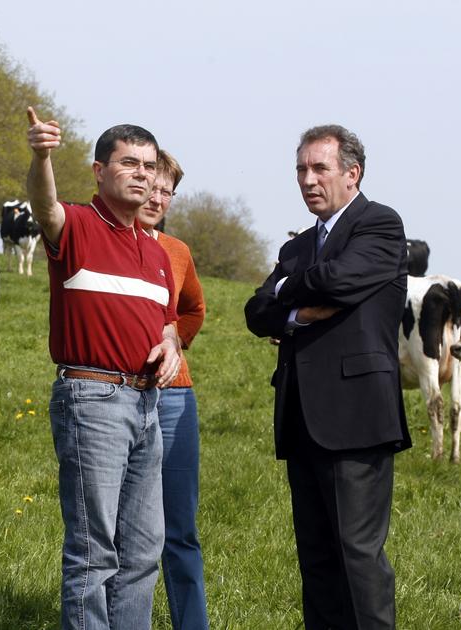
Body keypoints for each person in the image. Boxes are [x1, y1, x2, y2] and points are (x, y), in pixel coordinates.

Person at [243, 125, 410, 629]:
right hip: (300, 417)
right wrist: (293, 315)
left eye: (320, 168)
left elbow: (340, 279)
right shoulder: (297, 246)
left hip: (357, 417)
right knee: (315, 558)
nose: (308, 179)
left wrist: (287, 289)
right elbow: (256, 313)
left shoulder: (378, 224)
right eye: (301, 169)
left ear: (351, 174)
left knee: (358, 556)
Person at [26, 106, 182, 630]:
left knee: (142, 552)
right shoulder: (76, 225)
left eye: (149, 165)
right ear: (98, 171)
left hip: (147, 404)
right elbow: (42, 205)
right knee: (95, 552)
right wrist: (41, 156)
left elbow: (166, 325)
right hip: (92, 401)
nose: (143, 173)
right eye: (129, 162)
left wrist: (171, 344)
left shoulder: (157, 253)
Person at [135, 150, 208, 629]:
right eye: (153, 187)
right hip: (119, 393)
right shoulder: (106, 241)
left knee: (179, 530)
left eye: (167, 191)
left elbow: (195, 308)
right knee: (130, 531)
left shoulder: (178, 251)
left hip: (175, 396)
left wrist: (173, 340)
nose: (158, 198)